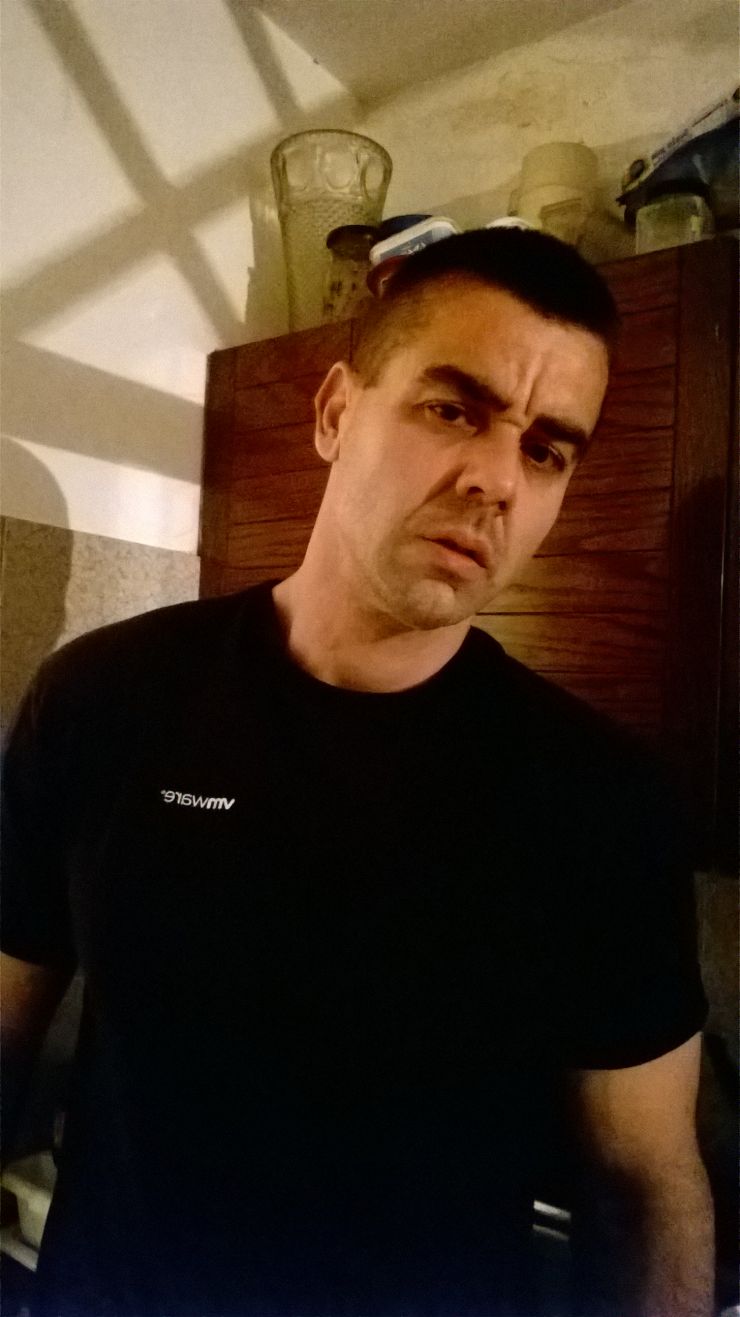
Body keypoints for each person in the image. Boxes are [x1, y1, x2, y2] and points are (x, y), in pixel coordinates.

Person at [2, 229, 713, 1317]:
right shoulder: (104, 699)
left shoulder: (602, 803)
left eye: (546, 450)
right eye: (453, 408)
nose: (494, 479)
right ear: (336, 412)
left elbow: (644, 1186)